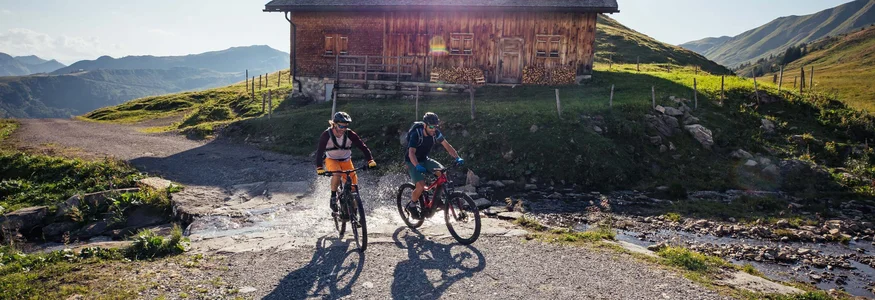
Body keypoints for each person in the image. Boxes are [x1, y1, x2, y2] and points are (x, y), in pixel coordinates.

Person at [315, 112, 377, 218]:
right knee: (337, 173)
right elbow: (320, 151)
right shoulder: (326, 134)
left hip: (346, 160)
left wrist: (370, 160)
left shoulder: (350, 134)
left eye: (345, 126)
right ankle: (333, 197)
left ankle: (355, 214)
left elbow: (363, 147)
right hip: (331, 160)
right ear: (334, 124)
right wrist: (319, 167)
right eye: (341, 126)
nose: (343, 129)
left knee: (354, 188)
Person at [404, 112, 463, 219]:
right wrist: (417, 165)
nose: (433, 129)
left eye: (436, 126)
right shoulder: (416, 134)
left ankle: (437, 199)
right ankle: (412, 205)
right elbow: (411, 153)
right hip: (412, 161)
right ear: (425, 125)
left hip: (425, 159)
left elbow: (447, 146)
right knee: (421, 186)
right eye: (431, 127)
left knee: (443, 173)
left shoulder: (436, 133)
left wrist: (457, 157)